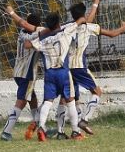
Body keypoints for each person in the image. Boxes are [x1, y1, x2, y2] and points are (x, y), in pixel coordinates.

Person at [67, 0, 125, 137]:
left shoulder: (69, 27)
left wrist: (95, 4)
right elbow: (112, 34)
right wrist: (124, 27)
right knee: (97, 92)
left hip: (67, 66)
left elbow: (87, 20)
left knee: (73, 98)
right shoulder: (90, 27)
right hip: (79, 66)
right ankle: (84, 120)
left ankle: (75, 131)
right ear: (83, 14)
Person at [23, 12, 86, 141]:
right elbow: (79, 21)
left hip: (50, 74)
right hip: (63, 72)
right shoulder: (65, 33)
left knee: (47, 102)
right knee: (70, 102)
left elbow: (27, 45)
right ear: (58, 23)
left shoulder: (43, 40)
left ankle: (41, 127)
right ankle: (75, 132)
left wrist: (42, 33)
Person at [0, 6, 44, 141]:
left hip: (18, 71)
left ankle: (39, 126)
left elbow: (23, 23)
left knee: (32, 98)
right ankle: (6, 131)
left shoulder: (22, 32)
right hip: (27, 73)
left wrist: (12, 13)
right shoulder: (37, 35)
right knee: (22, 101)